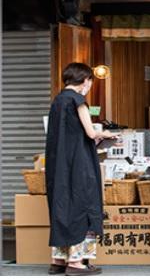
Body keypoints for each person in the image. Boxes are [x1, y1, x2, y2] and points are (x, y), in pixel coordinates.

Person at [45, 63, 116, 276]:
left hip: (58, 165)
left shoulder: (57, 101)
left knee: (62, 206)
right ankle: (76, 263)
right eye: (90, 81)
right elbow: (91, 132)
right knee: (83, 206)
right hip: (79, 164)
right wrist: (108, 135)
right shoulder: (78, 100)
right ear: (85, 80)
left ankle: (58, 260)